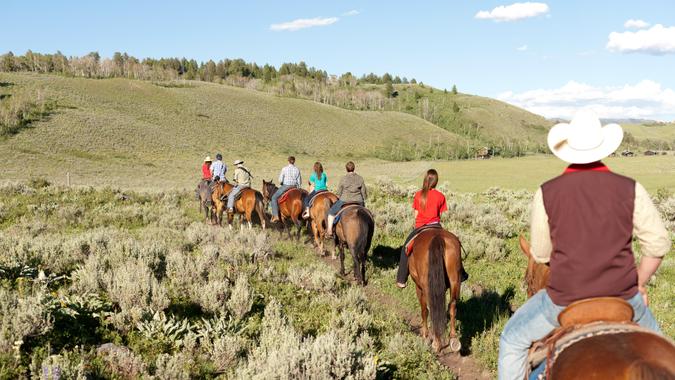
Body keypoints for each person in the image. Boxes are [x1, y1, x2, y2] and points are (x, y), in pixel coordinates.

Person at [498, 110, 670, 380]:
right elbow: (658, 244)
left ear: (567, 149)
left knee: (511, 340)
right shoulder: (630, 187)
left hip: (562, 300)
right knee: (663, 353)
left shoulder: (547, 192)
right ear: (603, 148)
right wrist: (639, 281)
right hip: (623, 297)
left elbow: (541, 254)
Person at [395, 169, 468, 288]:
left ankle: (401, 279)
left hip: (420, 227)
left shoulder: (418, 195)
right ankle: (461, 273)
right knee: (455, 245)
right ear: (436, 181)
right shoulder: (441, 196)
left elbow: (416, 215)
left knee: (405, 248)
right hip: (436, 225)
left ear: (425, 179)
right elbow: (440, 215)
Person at [325, 161, 367, 237]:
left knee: (331, 212)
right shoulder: (360, 178)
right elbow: (364, 192)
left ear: (346, 169)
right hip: (359, 201)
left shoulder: (343, 179)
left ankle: (330, 231)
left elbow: (339, 193)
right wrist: (364, 199)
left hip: (345, 200)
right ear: (354, 168)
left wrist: (338, 197)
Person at [270, 156, 302, 223]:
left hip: (286, 186)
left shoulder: (284, 169)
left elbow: (280, 180)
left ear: (288, 161)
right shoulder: (297, 169)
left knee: (274, 198)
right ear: (294, 161)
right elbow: (299, 182)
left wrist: (281, 183)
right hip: (294, 187)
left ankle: (275, 216)